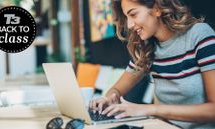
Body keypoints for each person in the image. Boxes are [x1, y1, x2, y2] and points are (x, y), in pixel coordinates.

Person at [89, 0, 215, 129]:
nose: (129, 24)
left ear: (157, 9)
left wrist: (150, 109)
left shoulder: (200, 35)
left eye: (133, 14)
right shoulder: (147, 48)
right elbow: (116, 90)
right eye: (126, 17)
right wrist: (107, 99)